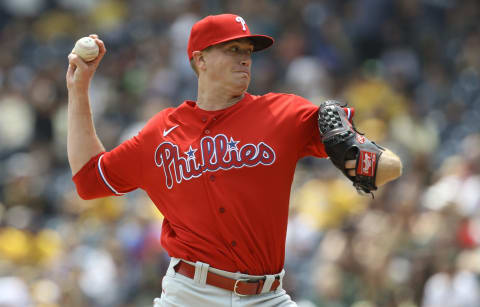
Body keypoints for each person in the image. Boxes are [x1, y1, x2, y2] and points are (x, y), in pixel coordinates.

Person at [66, 14, 402, 307]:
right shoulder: (160, 133)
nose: (245, 59)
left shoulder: (283, 114)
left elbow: (390, 168)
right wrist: (79, 88)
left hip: (266, 296)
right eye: (232, 50)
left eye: (248, 52)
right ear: (200, 60)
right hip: (189, 295)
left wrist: (357, 152)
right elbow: (88, 179)